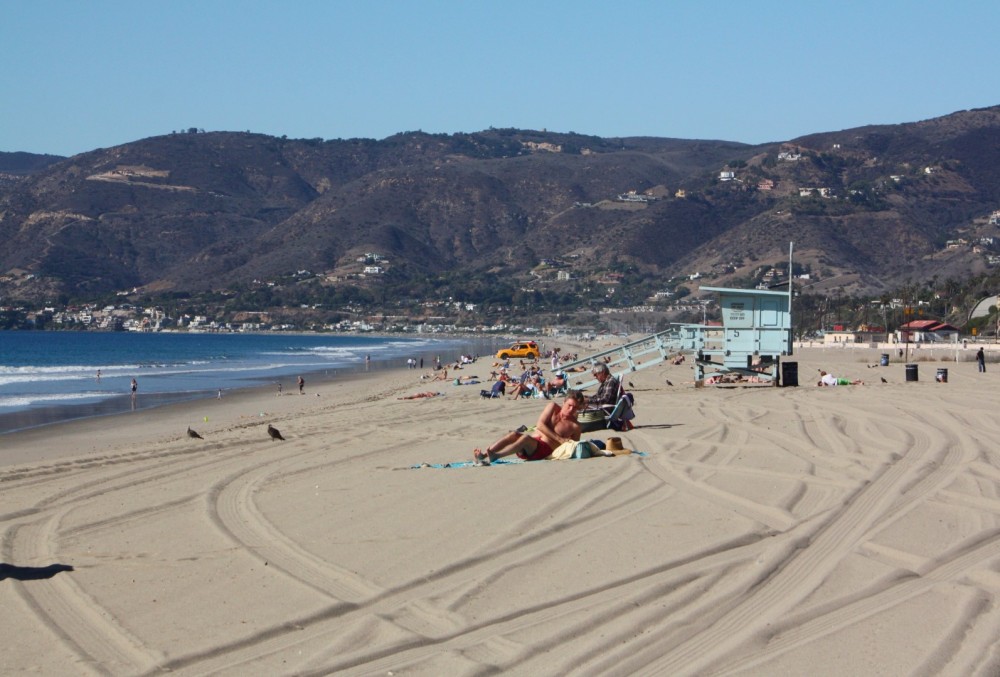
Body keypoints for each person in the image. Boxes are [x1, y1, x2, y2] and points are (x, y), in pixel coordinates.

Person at [474, 390, 585, 464]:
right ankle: (483, 455)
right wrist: (559, 439)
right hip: (531, 445)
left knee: (526, 438)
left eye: (575, 408)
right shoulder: (552, 407)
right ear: (564, 402)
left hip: (543, 451)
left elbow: (574, 448)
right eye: (569, 405)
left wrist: (563, 443)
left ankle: (497, 456)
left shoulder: (575, 426)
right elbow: (540, 425)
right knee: (513, 434)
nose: (571, 410)